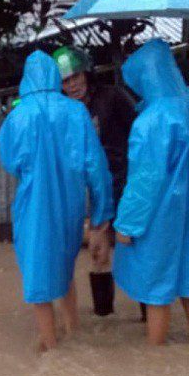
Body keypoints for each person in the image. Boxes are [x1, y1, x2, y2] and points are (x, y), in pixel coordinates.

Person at [0, 51, 113, 351]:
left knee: (38, 276)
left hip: (34, 206)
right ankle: (73, 330)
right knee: (63, 265)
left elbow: (10, 162)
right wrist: (101, 215)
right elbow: (97, 169)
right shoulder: (76, 113)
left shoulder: (17, 117)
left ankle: (51, 348)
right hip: (71, 206)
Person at [113, 39, 189, 345]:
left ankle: (155, 357)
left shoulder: (151, 120)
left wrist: (127, 225)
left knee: (157, 286)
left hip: (162, 210)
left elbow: (146, 179)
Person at [53, 46, 138, 318]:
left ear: (87, 74)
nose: (73, 85)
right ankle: (105, 317)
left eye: (76, 77)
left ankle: (149, 316)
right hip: (92, 191)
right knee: (98, 252)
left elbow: (139, 131)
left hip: (126, 183)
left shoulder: (112, 97)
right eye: (66, 81)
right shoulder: (63, 111)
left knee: (137, 249)